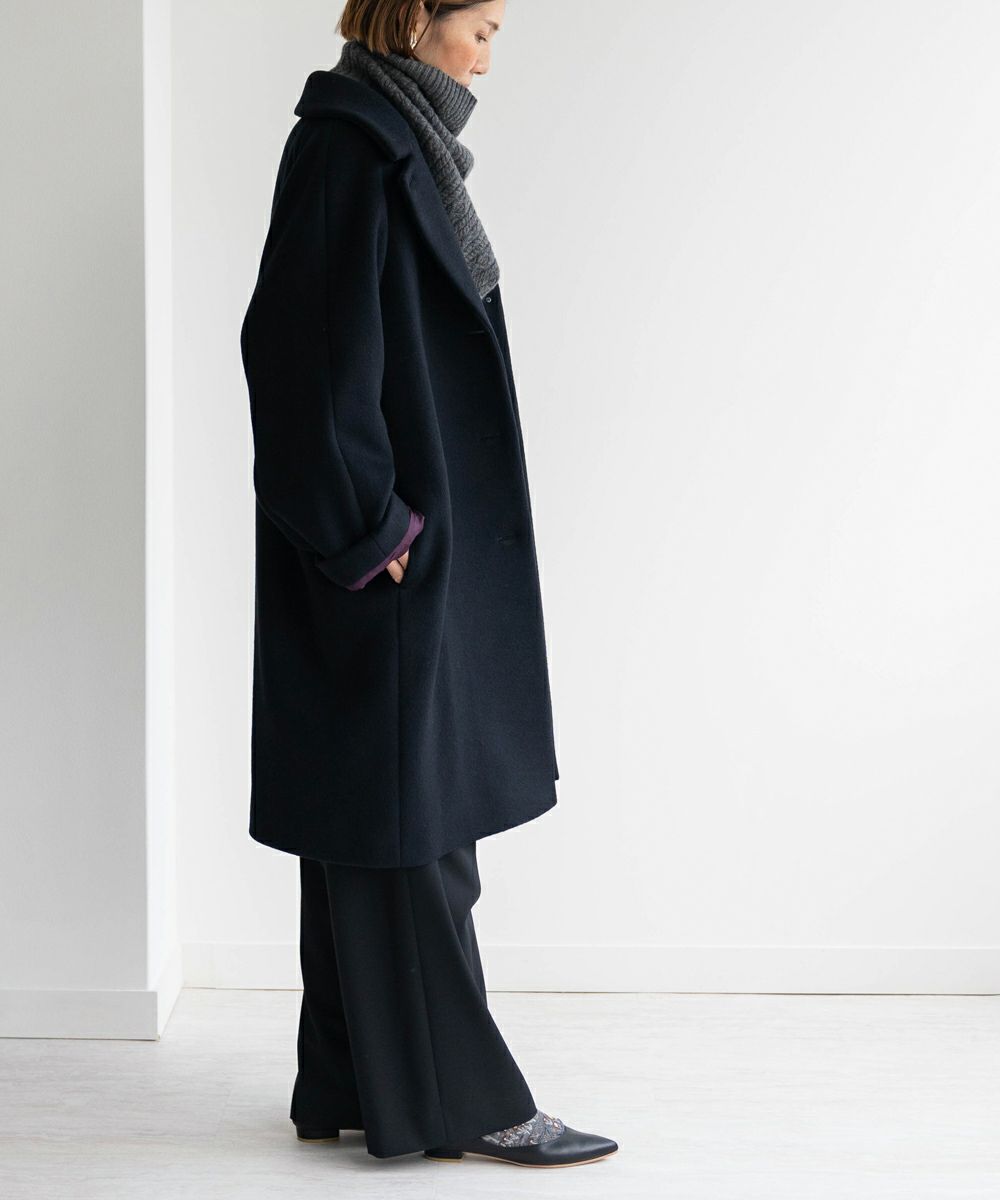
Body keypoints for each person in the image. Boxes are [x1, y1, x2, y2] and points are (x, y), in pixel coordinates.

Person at [239, 0, 617, 1167]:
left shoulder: (393, 142)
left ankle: (349, 1078)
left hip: (408, 547)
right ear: (412, 17)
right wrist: (370, 533)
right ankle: (464, 1100)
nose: (487, 57)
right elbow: (294, 361)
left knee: (375, 819)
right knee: (413, 830)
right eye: (481, 28)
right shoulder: (350, 147)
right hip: (382, 556)